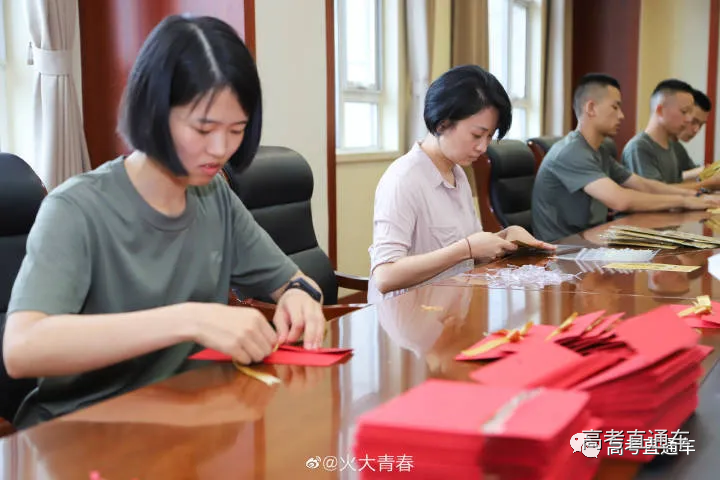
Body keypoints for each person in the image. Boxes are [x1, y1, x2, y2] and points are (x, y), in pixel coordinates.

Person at [2, 15, 325, 428]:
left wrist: (298, 296)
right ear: (153, 112)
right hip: (84, 429)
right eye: (203, 129)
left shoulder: (214, 195)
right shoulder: (75, 209)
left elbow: (293, 281)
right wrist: (189, 319)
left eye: (237, 130)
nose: (221, 149)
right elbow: (22, 348)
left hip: (187, 417)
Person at [368, 65, 553, 303]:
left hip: (451, 307)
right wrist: (466, 249)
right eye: (477, 135)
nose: (483, 147)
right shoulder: (403, 179)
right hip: (409, 314)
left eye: (489, 137)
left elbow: (471, 248)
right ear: (442, 124)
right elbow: (385, 275)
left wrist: (508, 236)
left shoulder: (457, 172)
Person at [531, 73, 719, 243]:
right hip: (561, 251)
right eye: (615, 107)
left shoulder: (598, 151)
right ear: (591, 108)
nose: (621, 115)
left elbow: (644, 184)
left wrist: (694, 196)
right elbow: (620, 200)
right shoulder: (571, 152)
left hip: (590, 242)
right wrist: (684, 201)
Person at [621, 79, 699, 184]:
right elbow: (657, 192)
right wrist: (707, 183)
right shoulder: (639, 148)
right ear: (660, 110)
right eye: (684, 112)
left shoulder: (672, 146)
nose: (689, 119)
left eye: (690, 113)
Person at [671, 89, 714, 183]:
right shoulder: (643, 146)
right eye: (694, 121)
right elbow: (657, 186)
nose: (696, 130)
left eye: (701, 124)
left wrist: (708, 172)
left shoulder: (678, 148)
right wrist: (699, 173)